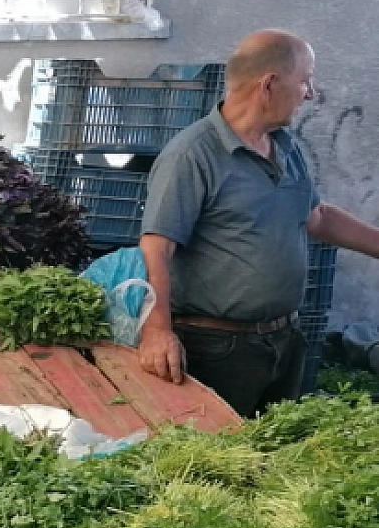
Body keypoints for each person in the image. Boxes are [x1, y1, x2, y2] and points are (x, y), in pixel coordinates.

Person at [137, 29, 379, 415]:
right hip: (218, 349)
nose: (311, 94)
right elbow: (156, 246)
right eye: (305, 81)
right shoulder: (192, 155)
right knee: (223, 460)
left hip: (284, 340)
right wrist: (157, 330)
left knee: (275, 456)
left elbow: (316, 218)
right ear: (269, 84)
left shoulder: (285, 146)